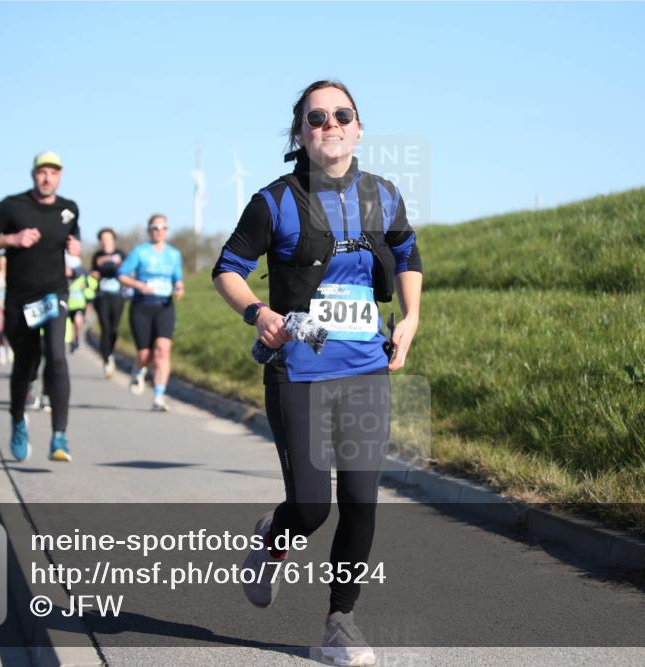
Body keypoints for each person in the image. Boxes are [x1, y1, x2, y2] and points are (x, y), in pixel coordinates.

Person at [212, 80, 422, 666]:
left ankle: (339, 623)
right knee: (310, 507)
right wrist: (259, 313)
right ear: (301, 134)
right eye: (317, 117)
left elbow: (408, 254)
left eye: (342, 115)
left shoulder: (383, 195)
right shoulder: (274, 201)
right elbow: (227, 268)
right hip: (298, 372)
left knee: (360, 501)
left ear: (359, 129)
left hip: (366, 369)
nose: (331, 125)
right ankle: (273, 539)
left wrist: (410, 318)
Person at [0, 150, 80, 463]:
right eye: (42, 172)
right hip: (20, 299)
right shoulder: (12, 206)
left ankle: (59, 437)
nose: (48, 178)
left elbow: (73, 236)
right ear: (34, 175)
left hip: (54, 294)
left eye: (54, 173)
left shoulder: (69, 209)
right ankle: (18, 420)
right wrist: (11, 239)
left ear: (60, 176)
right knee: (26, 363)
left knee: (57, 355)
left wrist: (75, 246)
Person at [117, 214, 184, 411]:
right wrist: (139, 285)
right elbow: (121, 275)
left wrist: (179, 288)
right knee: (145, 354)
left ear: (167, 231)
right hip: (142, 305)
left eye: (163, 228)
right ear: (149, 231)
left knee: (162, 350)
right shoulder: (140, 251)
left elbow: (178, 278)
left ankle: (158, 397)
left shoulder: (174, 254)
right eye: (155, 228)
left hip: (164, 306)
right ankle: (138, 370)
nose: (159, 231)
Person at [91, 228, 127, 378]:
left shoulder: (121, 254)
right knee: (105, 327)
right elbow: (93, 272)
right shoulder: (97, 255)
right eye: (103, 239)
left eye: (108, 238)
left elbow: (126, 272)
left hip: (117, 295)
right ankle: (106, 359)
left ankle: (110, 352)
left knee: (114, 328)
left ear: (113, 239)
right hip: (102, 296)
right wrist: (95, 274)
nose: (105, 241)